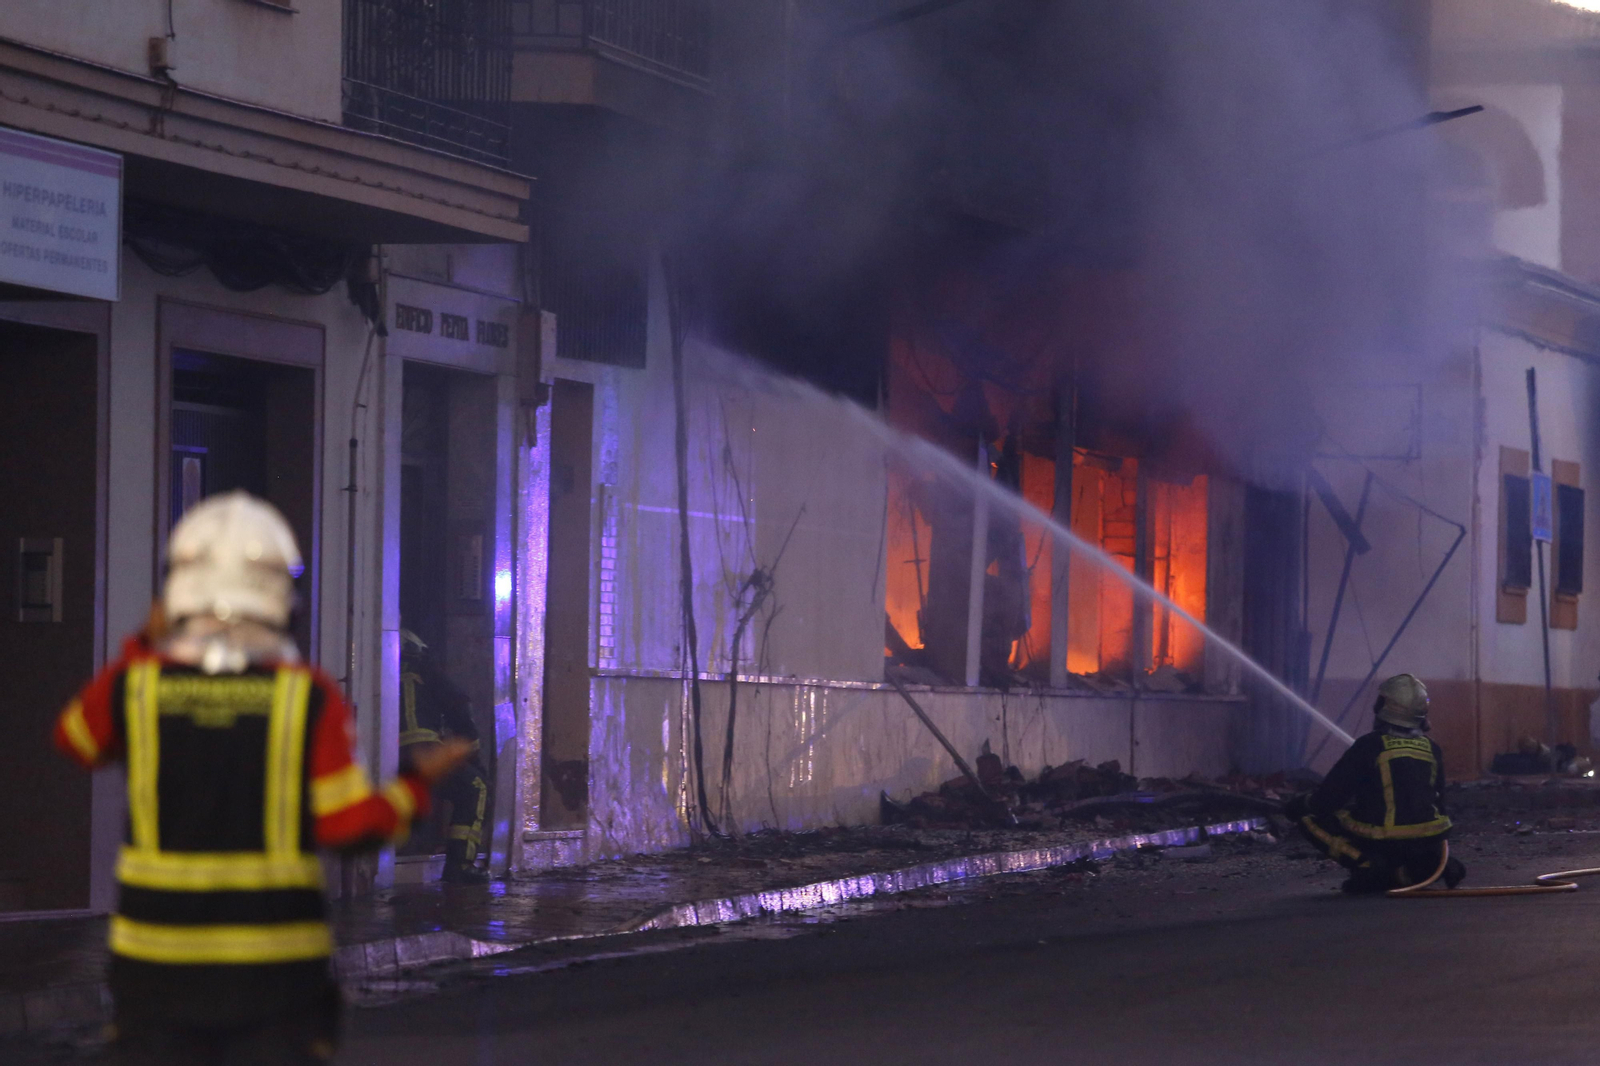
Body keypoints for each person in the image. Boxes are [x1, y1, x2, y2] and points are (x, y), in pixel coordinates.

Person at [54, 492, 471, 1065]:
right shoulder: (306, 697)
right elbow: (350, 828)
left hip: (155, 969)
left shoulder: (140, 685)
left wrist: (146, 642)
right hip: (274, 974)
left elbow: (76, 739)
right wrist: (415, 784)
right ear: (280, 596)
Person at [1285, 673, 1466, 894]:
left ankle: (1367, 865)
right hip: (1427, 839)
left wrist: (1299, 805)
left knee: (1309, 819)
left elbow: (1329, 799)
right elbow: (1438, 800)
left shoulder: (1368, 746)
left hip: (1383, 839)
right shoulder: (1431, 748)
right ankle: (1416, 869)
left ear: (1385, 706)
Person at [399, 628, 492, 883]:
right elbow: (458, 707)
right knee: (475, 786)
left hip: (384, 755)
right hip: (423, 754)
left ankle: (410, 845)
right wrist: (473, 758)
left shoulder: (377, 669)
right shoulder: (424, 669)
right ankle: (460, 865)